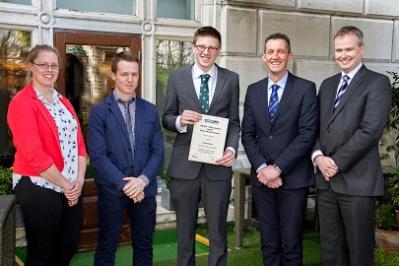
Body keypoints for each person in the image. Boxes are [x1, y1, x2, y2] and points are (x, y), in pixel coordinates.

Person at [312, 26, 392, 266]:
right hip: (326, 183)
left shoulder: (377, 83)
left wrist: (335, 163)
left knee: (359, 253)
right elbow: (314, 128)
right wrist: (318, 157)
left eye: (348, 49)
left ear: (361, 49)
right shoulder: (327, 84)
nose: (343, 55)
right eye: (338, 50)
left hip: (358, 183)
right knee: (331, 251)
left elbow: (370, 131)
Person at [162, 26, 240, 266]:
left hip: (217, 168)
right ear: (194, 47)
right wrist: (179, 121)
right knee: (185, 233)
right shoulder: (177, 77)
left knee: (218, 231)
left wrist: (231, 149)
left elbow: (234, 123)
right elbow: (166, 117)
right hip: (185, 168)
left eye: (212, 48)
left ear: (218, 50)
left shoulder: (231, 79)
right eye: (202, 46)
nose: (206, 52)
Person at [241, 33, 318, 265]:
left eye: (280, 51)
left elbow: (307, 134)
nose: (275, 56)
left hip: (293, 179)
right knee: (269, 241)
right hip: (262, 179)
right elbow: (248, 134)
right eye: (271, 52)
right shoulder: (253, 90)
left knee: (292, 243)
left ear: (289, 56)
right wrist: (264, 168)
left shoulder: (305, 89)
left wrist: (278, 168)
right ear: (264, 57)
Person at [7, 44, 87, 265]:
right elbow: (34, 154)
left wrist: (78, 181)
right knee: (42, 253)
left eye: (54, 65)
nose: (49, 69)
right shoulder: (22, 103)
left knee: (68, 246)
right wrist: (66, 184)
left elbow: (79, 143)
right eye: (43, 64)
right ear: (31, 67)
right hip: (39, 184)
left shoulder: (64, 102)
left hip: (71, 186)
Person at [87, 51, 164, 266]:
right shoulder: (99, 111)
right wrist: (127, 186)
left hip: (145, 190)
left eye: (135, 74)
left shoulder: (150, 111)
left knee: (143, 246)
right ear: (113, 76)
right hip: (112, 190)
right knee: (106, 246)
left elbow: (158, 152)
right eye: (124, 74)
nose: (130, 80)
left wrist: (142, 181)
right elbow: (98, 156)